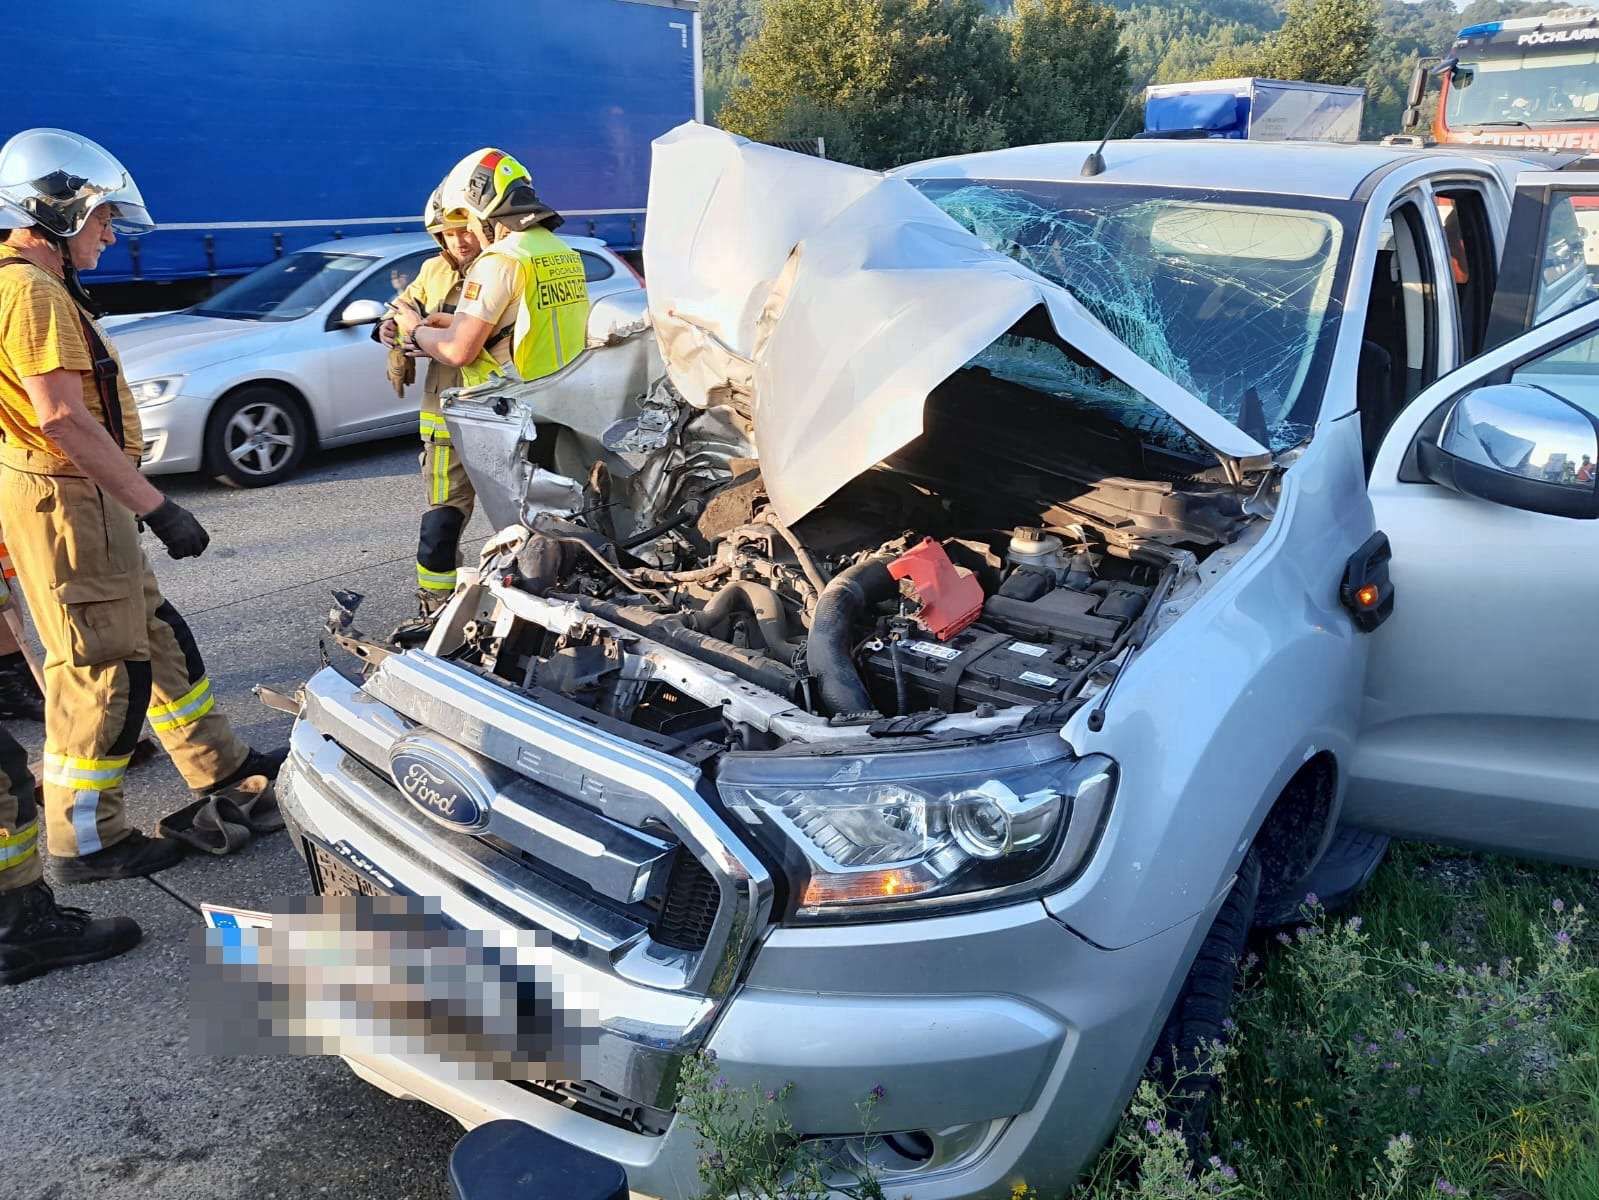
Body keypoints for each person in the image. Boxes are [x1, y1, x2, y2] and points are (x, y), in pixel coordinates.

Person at [0, 128, 282, 886]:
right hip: (69, 501)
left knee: (155, 638)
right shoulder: (30, 291)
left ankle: (220, 767)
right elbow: (62, 419)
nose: (110, 233)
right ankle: (89, 842)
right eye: (101, 218)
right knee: (101, 668)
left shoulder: (31, 284)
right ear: (55, 215)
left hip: (82, 497)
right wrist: (158, 507)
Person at [394, 146, 589, 414]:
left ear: (483, 207)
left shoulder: (499, 260)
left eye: (470, 219)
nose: (471, 228)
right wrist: (456, 323)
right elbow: (537, 326)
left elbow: (457, 351)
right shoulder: (561, 251)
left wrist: (415, 329)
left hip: (512, 408)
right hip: (563, 398)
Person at [377, 184, 483, 615]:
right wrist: (388, 327)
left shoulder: (503, 268)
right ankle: (437, 607)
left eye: (465, 230)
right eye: (448, 234)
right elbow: (403, 307)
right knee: (441, 523)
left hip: (502, 410)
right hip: (444, 417)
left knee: (526, 523)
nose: (459, 241)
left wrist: (428, 331)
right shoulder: (433, 269)